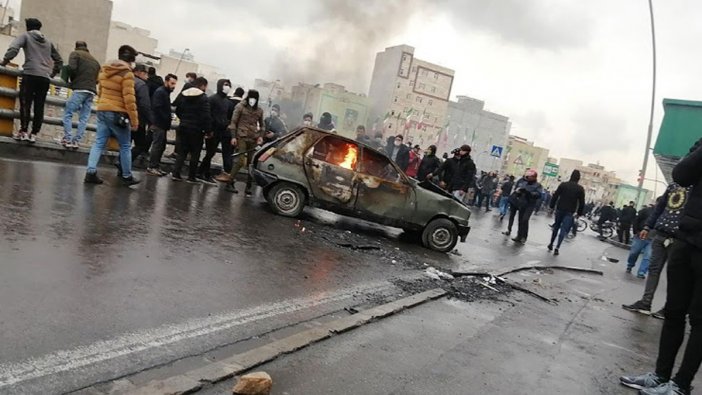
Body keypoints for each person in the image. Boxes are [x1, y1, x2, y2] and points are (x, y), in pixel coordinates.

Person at [620, 138, 702, 395]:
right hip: (686, 236)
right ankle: (660, 376)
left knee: (700, 319)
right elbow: (682, 174)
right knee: (674, 311)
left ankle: (679, 386)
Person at [622, 183, 691, 317]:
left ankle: (669, 308)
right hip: (661, 234)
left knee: (675, 275)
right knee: (654, 269)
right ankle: (645, 303)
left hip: (680, 238)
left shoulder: (696, 188)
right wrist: (647, 227)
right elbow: (659, 209)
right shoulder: (673, 186)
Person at [83, 44, 139, 186]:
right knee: (125, 145)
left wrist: (103, 104)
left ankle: (90, 172)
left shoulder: (105, 69)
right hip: (117, 112)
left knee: (99, 142)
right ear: (131, 60)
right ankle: (126, 176)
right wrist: (134, 120)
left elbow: (100, 90)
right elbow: (129, 99)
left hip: (102, 108)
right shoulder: (127, 74)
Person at [1, 18, 62, 142]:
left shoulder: (25, 36)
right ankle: (34, 134)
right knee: (39, 106)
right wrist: (52, 73)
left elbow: (13, 49)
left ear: (28, 27)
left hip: (30, 74)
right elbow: (59, 60)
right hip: (44, 77)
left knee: (26, 103)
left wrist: (5, 62)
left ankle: (23, 131)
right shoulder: (48, 42)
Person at [172, 77, 212, 183]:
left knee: (182, 152)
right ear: (203, 85)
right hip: (197, 130)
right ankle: (191, 176)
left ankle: (176, 173)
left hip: (183, 126)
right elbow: (206, 116)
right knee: (195, 153)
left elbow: (178, 110)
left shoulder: (184, 94)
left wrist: (184, 119)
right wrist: (208, 130)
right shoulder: (203, 98)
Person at [61, 41, 99, 148]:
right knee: (84, 118)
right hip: (91, 91)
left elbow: (72, 68)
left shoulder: (75, 54)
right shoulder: (95, 61)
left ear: (76, 47)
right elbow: (97, 79)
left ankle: (68, 138)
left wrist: (72, 80)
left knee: (68, 113)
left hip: (79, 89)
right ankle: (76, 141)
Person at [226, 89, 264, 195]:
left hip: (253, 138)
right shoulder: (240, 106)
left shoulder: (259, 110)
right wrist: (233, 137)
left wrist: (260, 136)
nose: (252, 100)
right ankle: (229, 182)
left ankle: (249, 186)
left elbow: (262, 125)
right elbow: (233, 122)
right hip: (241, 136)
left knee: (251, 163)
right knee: (240, 161)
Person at [201, 79, 235, 183]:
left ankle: (203, 172)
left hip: (222, 131)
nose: (227, 87)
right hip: (213, 131)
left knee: (212, 153)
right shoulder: (212, 99)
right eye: (225, 85)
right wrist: (209, 130)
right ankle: (203, 173)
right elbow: (207, 115)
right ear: (220, 86)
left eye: (229, 85)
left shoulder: (227, 102)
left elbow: (228, 116)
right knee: (210, 153)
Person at [547, 170, 585, 256]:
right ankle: (557, 247)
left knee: (556, 227)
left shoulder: (563, 185)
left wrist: (551, 206)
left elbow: (555, 196)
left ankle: (551, 243)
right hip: (570, 212)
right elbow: (582, 203)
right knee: (563, 229)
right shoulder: (580, 189)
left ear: (571, 176)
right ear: (578, 178)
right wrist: (579, 213)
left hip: (560, 209)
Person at [146, 73, 177, 176]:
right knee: (157, 145)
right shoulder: (161, 92)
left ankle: (156, 165)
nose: (174, 86)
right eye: (172, 83)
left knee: (161, 146)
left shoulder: (165, 92)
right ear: (166, 82)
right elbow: (157, 108)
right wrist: (167, 116)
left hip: (162, 124)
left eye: (175, 84)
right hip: (158, 123)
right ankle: (152, 166)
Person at [503, 169, 543, 243]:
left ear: (533, 177)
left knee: (525, 219)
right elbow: (517, 191)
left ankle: (524, 236)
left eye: (529, 177)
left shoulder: (538, 185)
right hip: (522, 204)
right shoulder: (524, 183)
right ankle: (519, 236)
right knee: (520, 220)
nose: (527, 178)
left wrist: (529, 193)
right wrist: (518, 192)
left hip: (530, 205)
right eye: (527, 177)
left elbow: (539, 194)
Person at [127, 64, 153, 167]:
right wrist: (151, 120)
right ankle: (123, 162)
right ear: (139, 72)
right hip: (138, 119)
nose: (147, 76)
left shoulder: (127, 81)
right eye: (145, 73)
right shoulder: (142, 85)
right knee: (141, 145)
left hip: (125, 117)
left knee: (125, 144)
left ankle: (122, 164)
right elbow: (145, 105)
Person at [626, 203, 656, 278]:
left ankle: (641, 272)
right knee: (634, 252)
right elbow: (636, 220)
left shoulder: (664, 215)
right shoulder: (646, 211)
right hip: (641, 235)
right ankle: (630, 265)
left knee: (648, 256)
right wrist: (636, 231)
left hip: (653, 239)